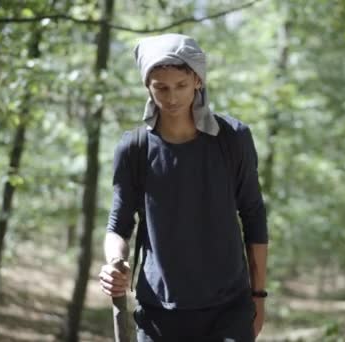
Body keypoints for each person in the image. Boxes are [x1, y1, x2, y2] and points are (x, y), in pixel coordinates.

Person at [98, 33, 268, 342]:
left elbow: (254, 216)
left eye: (181, 86)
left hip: (229, 310)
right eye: (161, 87)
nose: (172, 97)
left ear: (198, 81)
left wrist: (259, 295)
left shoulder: (233, 139)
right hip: (158, 314)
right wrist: (114, 264)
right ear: (147, 86)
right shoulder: (133, 148)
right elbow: (118, 226)